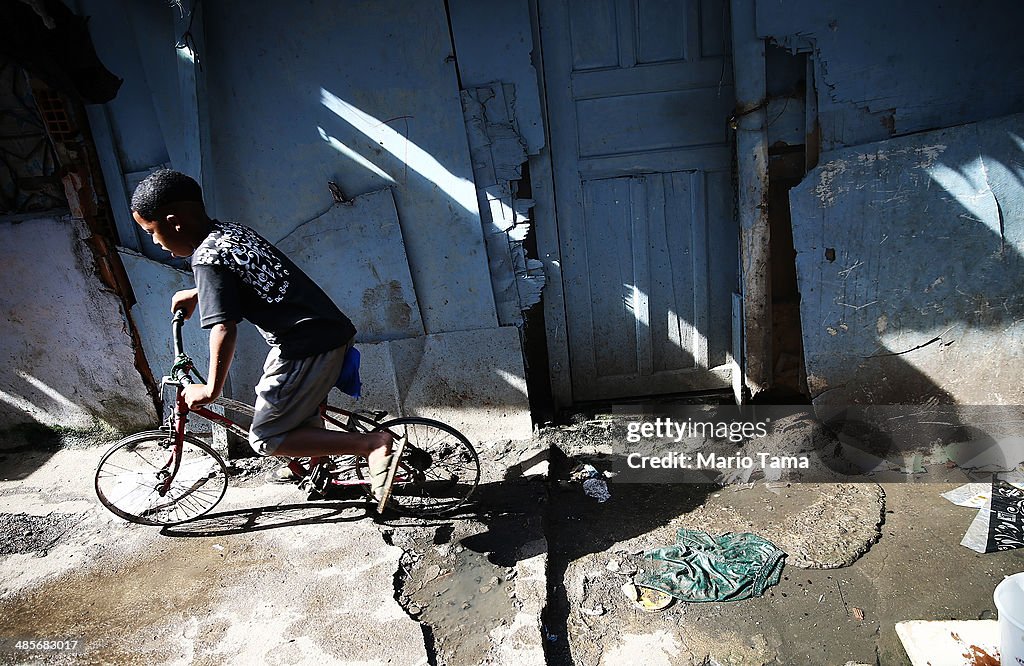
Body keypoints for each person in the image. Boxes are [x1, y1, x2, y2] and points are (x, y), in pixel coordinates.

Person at [129, 169, 403, 511]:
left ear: (175, 223)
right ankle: (321, 469)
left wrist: (211, 389)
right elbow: (246, 276)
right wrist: (201, 292)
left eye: (152, 232)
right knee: (281, 406)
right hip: (322, 330)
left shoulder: (206, 258)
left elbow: (224, 328)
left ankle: (374, 445)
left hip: (306, 347)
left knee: (267, 437)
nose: (155, 242)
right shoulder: (231, 232)